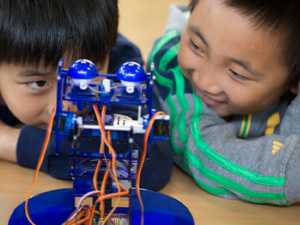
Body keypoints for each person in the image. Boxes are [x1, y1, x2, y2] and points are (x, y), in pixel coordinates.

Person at [0, 0, 173, 192]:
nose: (67, 106)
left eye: (85, 78)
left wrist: (10, 141)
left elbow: (149, 164)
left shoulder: (123, 69)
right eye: (40, 83)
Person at [148, 0, 300, 204]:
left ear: (294, 79)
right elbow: (201, 148)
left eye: (237, 73)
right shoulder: (169, 70)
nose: (204, 82)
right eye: (196, 46)